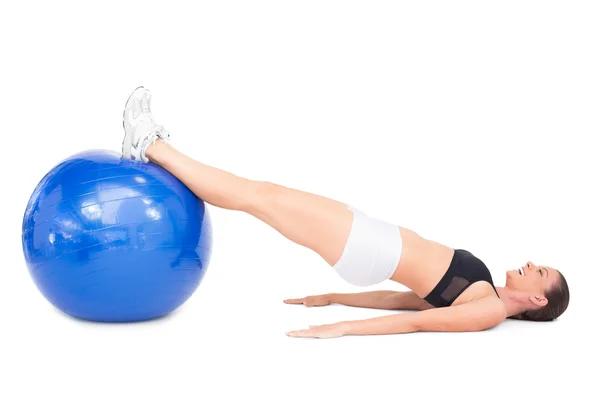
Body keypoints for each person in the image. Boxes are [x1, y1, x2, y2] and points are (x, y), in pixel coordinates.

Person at [121, 86, 570, 338]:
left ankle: (151, 145)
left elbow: (419, 323)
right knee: (263, 195)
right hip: (370, 241)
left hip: (369, 247)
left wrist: (343, 328)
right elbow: (404, 301)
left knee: (260, 196)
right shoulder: (484, 289)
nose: (531, 264)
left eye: (540, 271)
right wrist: (335, 296)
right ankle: (156, 148)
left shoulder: (488, 310)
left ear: (536, 300)